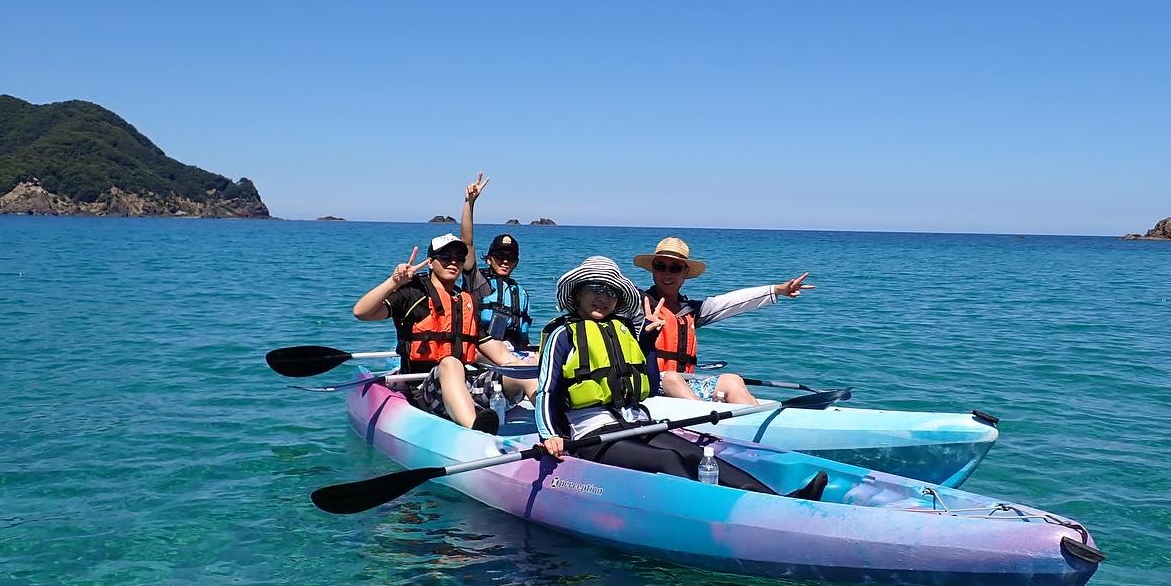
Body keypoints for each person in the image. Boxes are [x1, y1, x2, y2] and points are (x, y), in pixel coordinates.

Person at [533, 256, 827, 499]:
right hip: (592, 434)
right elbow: (546, 389)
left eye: (610, 291)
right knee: (669, 459)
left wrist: (647, 342)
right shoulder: (563, 334)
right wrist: (549, 435)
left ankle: (775, 501)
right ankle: (712, 511)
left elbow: (644, 383)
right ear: (578, 293)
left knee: (699, 455)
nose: (602, 297)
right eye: (595, 288)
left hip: (635, 425)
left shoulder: (623, 330)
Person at [352, 231, 536, 433]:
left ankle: (554, 424)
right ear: (430, 262)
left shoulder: (464, 301)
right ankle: (476, 429)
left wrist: (526, 368)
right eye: (445, 257)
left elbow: (499, 354)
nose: (453, 263)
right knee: (450, 362)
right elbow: (361, 312)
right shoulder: (412, 294)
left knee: (521, 370)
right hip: (425, 390)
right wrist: (394, 282)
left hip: (464, 385)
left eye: (458, 258)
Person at [632, 236, 814, 404]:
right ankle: (703, 420)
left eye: (675, 268)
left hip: (684, 385)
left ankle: (757, 427)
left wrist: (776, 290)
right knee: (672, 377)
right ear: (653, 270)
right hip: (650, 386)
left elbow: (730, 302)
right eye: (661, 267)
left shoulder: (691, 310)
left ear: (685, 272)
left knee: (732, 380)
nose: (667, 274)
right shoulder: (637, 304)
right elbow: (612, 289)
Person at [458, 173, 533, 348]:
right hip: (481, 352)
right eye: (500, 257)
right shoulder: (477, 282)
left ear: (516, 262)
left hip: (515, 354)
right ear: (490, 259)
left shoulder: (519, 292)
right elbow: (466, 242)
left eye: (511, 258)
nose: (505, 261)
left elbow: (524, 336)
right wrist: (469, 203)